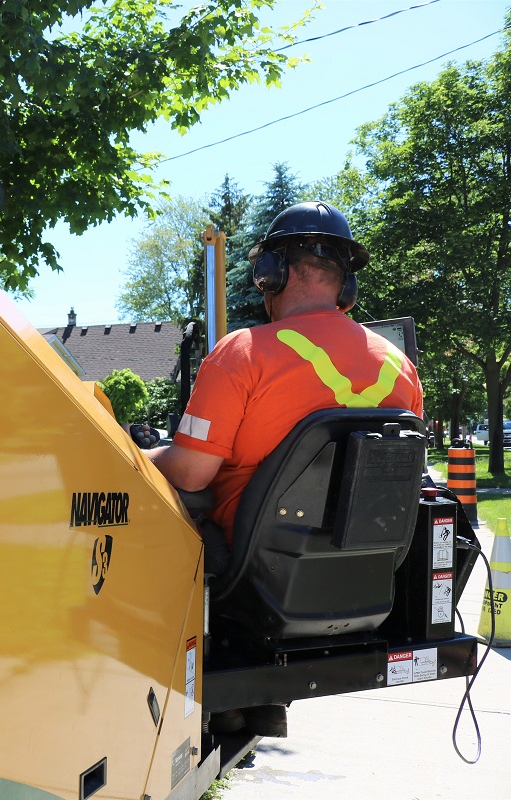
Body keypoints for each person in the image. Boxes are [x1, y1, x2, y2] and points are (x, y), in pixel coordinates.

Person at [142, 200, 425, 737]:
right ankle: (266, 701)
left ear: (271, 273)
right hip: (358, 580)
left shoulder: (244, 354)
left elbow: (191, 474)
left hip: (251, 577)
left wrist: (135, 455)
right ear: (346, 286)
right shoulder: (398, 366)